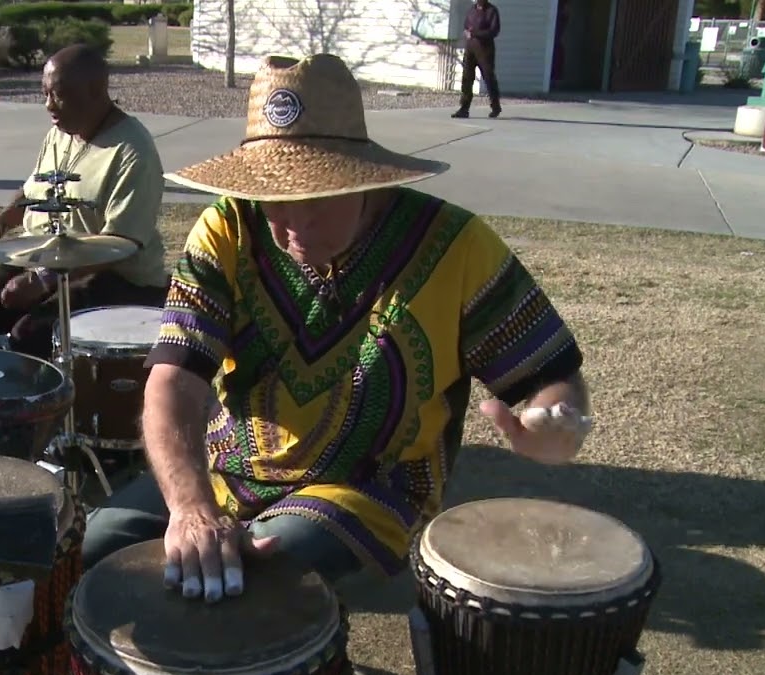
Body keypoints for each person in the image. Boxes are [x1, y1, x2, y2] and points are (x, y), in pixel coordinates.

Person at [80, 54, 592, 605]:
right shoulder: (227, 226)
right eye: (274, 196)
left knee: (262, 576)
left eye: (317, 196)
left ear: (365, 176)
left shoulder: (454, 245)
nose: (295, 223)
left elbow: (551, 376)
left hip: (369, 485)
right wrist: (191, 506)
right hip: (231, 470)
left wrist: (555, 423)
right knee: (99, 542)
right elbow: (175, 377)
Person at [0, 44, 170, 359]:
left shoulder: (132, 151)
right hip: (46, 260)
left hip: (115, 279)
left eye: (59, 94)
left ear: (96, 90)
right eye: (44, 93)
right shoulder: (60, 132)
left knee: (31, 335)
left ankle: (43, 404)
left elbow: (120, 244)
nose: (49, 105)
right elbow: (34, 192)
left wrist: (43, 281)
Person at [453, 0, 503, 119]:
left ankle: (495, 105)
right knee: (467, 78)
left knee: (488, 77)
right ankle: (464, 108)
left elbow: (494, 31)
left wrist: (475, 33)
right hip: (470, 49)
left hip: (485, 50)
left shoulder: (491, 11)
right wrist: (467, 32)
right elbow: (466, 25)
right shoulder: (472, 9)